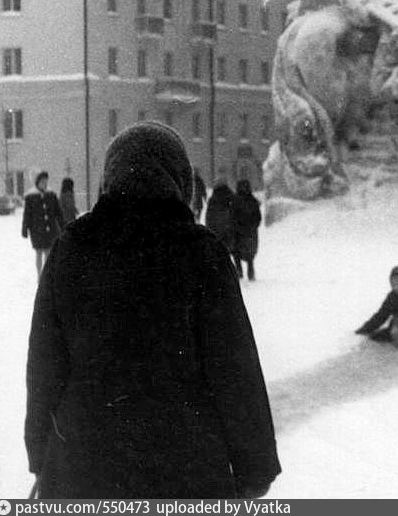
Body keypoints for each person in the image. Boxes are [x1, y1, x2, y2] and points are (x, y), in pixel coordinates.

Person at [24, 121, 280, 498]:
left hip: (84, 467)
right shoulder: (202, 252)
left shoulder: (72, 248)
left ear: (109, 179)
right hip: (186, 469)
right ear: (180, 182)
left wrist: (40, 454)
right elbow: (234, 368)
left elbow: (45, 366)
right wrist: (255, 467)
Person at [21, 171, 64, 276]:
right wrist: (25, 229)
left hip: (50, 230)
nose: (45, 184)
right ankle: (40, 275)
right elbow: (27, 215)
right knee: (39, 252)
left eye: (46, 181)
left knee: (48, 253)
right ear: (38, 183)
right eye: (42, 182)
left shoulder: (51, 195)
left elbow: (58, 212)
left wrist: (63, 225)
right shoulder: (31, 197)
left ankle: (47, 276)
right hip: (37, 230)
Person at [232, 180, 262, 281]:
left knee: (236, 252)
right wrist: (253, 226)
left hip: (238, 232)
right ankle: (250, 272)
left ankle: (239, 271)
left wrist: (236, 226)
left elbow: (232, 216)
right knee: (249, 253)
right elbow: (258, 217)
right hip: (250, 232)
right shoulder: (253, 201)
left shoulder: (235, 201)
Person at [204, 181, 236, 268]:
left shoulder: (212, 200)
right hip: (227, 228)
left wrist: (209, 230)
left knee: (219, 253)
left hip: (215, 230)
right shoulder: (230, 197)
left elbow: (209, 217)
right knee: (227, 252)